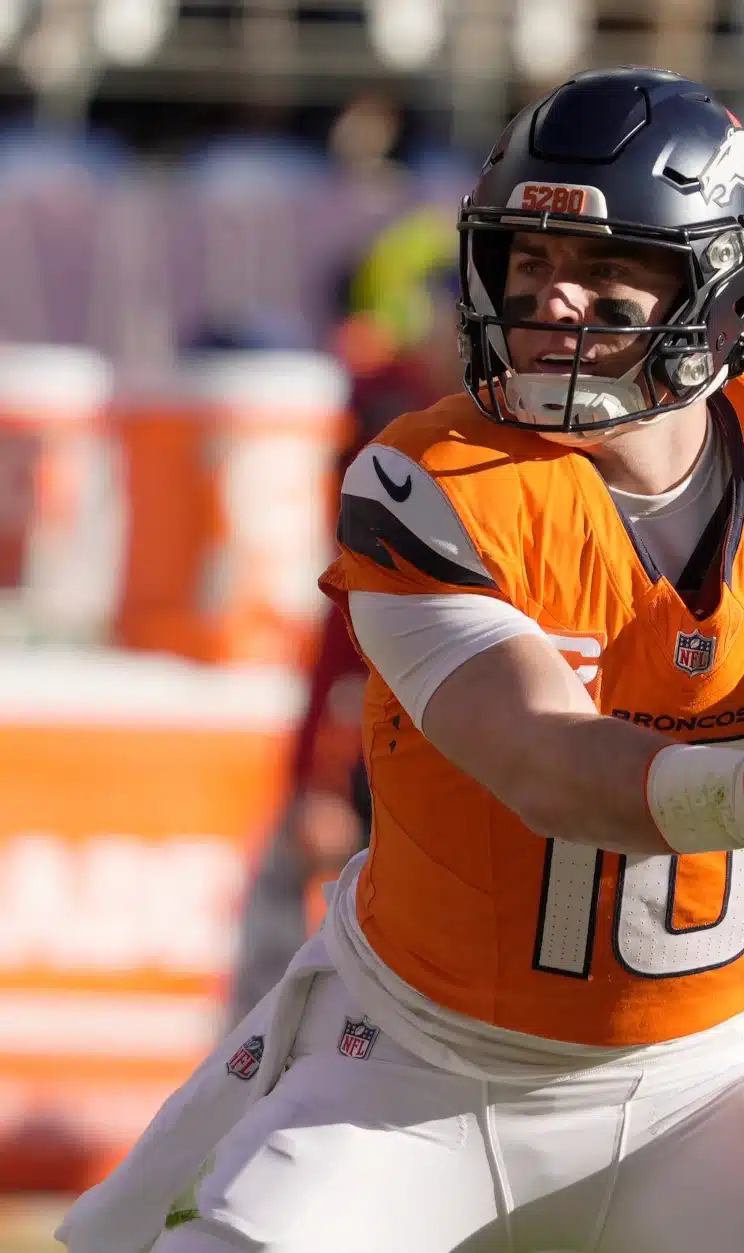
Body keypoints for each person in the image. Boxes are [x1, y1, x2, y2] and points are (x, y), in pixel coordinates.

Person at [61, 67, 744, 1253]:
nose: (553, 301)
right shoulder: (429, 483)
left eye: (610, 272)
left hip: (718, 1075)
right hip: (418, 1078)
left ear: (719, 286)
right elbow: (543, 756)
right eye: (526, 263)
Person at [226, 207, 466, 1026]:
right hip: (393, 746)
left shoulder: (474, 440)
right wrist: (316, 778)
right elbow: (348, 620)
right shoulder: (392, 425)